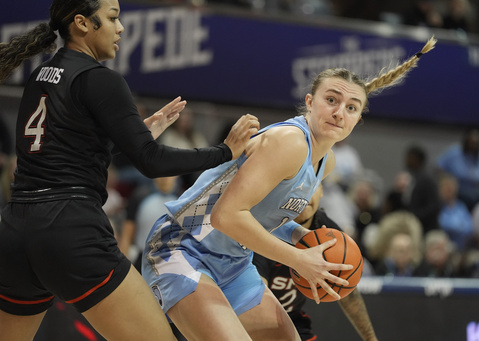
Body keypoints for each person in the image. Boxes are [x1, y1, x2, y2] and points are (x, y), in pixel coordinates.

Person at [142, 37, 437, 340]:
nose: (339, 112)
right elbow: (225, 217)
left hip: (232, 263)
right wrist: (298, 258)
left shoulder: (327, 162)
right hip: (184, 248)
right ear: (310, 102)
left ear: (358, 119)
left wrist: (305, 238)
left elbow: (266, 218)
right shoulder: (290, 142)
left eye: (351, 107)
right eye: (331, 100)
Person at [0, 1, 259, 340]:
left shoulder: (40, 75)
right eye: (112, 18)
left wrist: (136, 135)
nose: (121, 27)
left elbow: (63, 150)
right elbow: (151, 162)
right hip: (69, 229)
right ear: (81, 23)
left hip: (14, 229)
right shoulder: (101, 79)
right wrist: (224, 151)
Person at [253, 184, 378, 341]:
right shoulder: (266, 226)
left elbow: (350, 295)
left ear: (322, 192)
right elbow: (256, 297)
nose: (306, 196)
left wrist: (371, 339)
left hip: (292, 318)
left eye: (313, 187)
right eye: (297, 187)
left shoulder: (328, 231)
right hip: (251, 317)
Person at [436, 127, 479, 211]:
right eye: (471, 142)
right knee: (468, 198)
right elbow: (438, 169)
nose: (473, 145)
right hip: (458, 188)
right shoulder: (454, 152)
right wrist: (448, 180)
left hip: (475, 190)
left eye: (476, 143)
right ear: (465, 141)